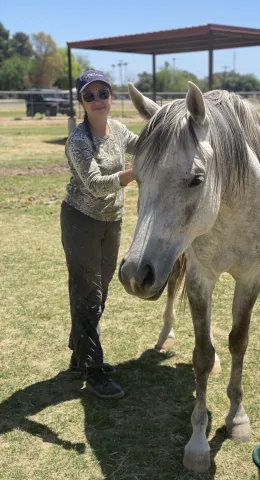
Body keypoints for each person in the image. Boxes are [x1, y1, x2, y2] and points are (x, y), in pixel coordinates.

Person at [60, 69, 138, 399]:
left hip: (112, 222)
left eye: (102, 93)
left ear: (111, 96)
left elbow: (145, 143)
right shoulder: (78, 141)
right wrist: (135, 173)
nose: (98, 101)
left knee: (99, 291)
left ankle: (80, 353)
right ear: (81, 102)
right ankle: (93, 371)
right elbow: (94, 185)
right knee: (89, 293)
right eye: (89, 96)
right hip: (81, 221)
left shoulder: (118, 130)